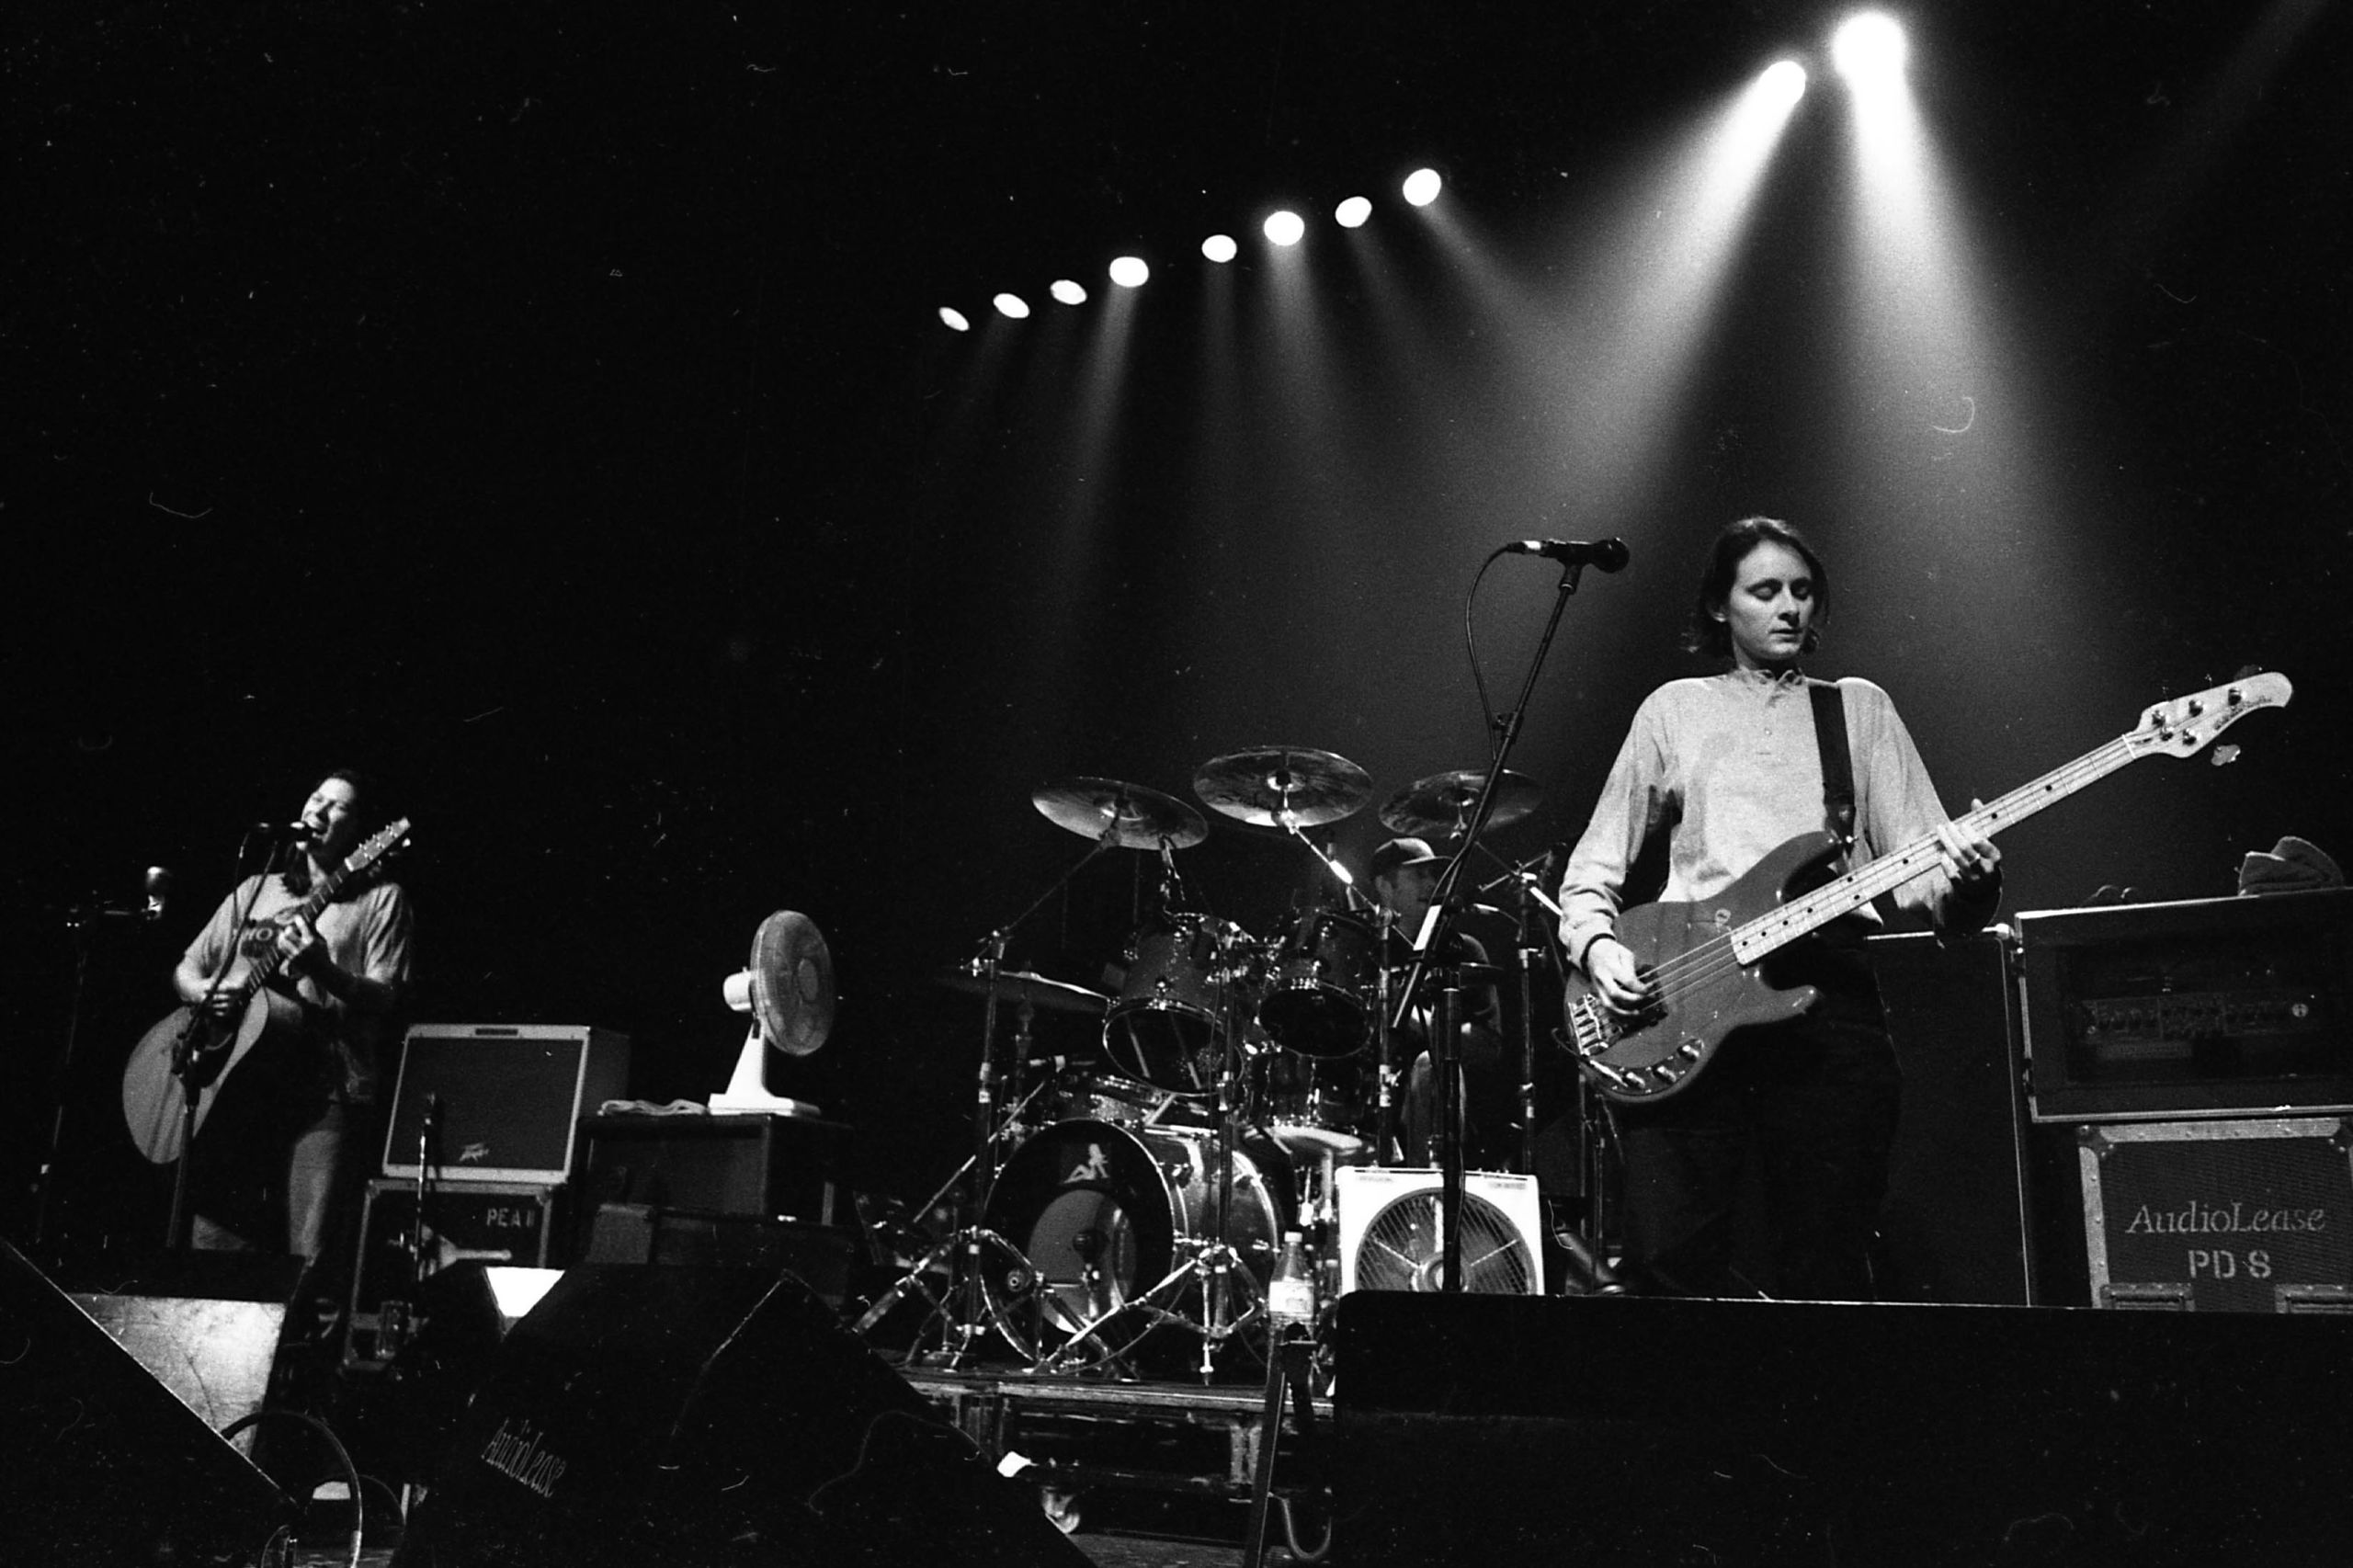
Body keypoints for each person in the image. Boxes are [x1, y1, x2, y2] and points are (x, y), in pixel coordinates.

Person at [1555, 517, 2001, 1300]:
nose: (1789, 607)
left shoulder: (1857, 711)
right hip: (1684, 996)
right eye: (1765, 591)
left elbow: (1932, 893)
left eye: (1801, 591)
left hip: (1828, 1001)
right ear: (1721, 608)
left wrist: (1968, 883)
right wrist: (1599, 949)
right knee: (1670, 1260)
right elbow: (1592, 869)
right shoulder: (1674, 710)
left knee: (1827, 1260)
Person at [173, 767, 415, 1288]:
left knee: (311, 1260)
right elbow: (188, 968)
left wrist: (325, 970)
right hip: (238, 1090)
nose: (321, 810)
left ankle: (307, 1369)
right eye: (316, 797)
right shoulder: (257, 889)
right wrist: (212, 998)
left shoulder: (380, 898)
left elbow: (386, 995)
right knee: (217, 1244)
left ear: (362, 834)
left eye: (339, 806)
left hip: (324, 1092)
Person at [1371, 835, 1509, 1169]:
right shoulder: (1367, 951)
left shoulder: (1462, 950)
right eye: (1418, 875)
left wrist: (1415, 1021)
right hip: (1367, 1095)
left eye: (1434, 875)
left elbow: (1487, 1045)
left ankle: (1427, 1193)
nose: (1432, 883)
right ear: (1385, 887)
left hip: (1444, 1107)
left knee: (1428, 1066)